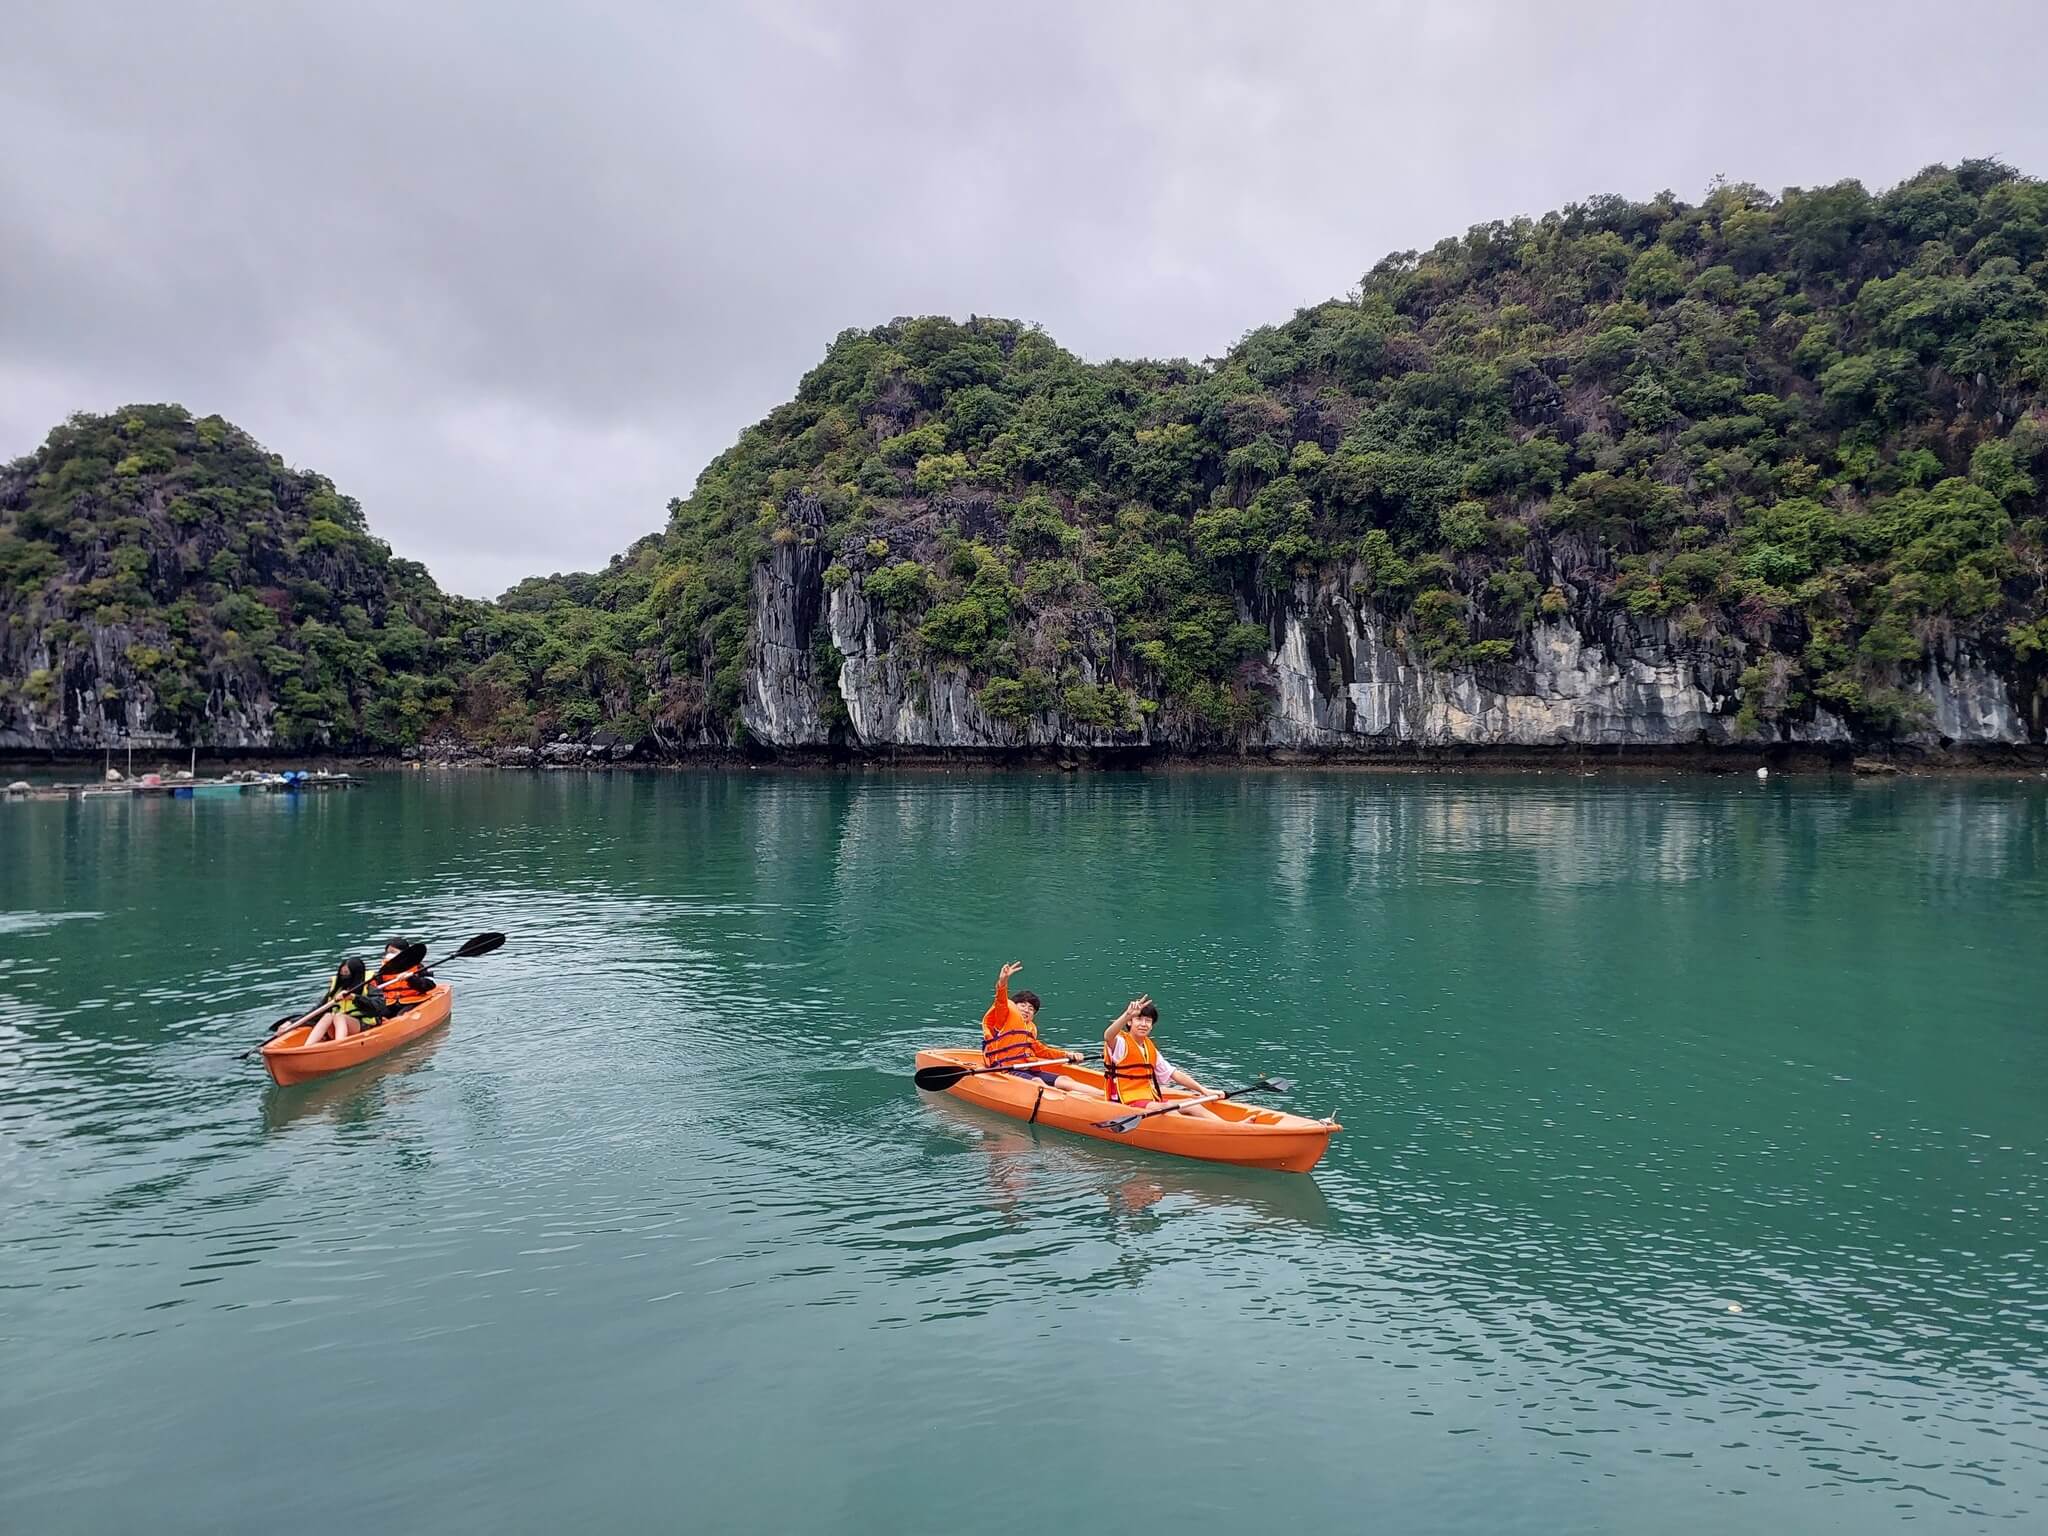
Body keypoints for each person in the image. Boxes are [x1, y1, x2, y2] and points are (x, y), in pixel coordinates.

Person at [1101, 996, 1227, 1119]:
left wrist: (1204, 1090)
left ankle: (1228, 1126)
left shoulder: (1149, 1048)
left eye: (1148, 1021)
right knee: (1168, 1109)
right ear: (1129, 1022)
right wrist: (1127, 1015)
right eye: (1139, 1019)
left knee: (1193, 1104)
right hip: (1126, 1100)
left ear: (1152, 1025)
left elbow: (1173, 1073)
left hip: (1150, 1099)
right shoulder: (1120, 1043)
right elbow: (1108, 1036)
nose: (1143, 1024)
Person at [982, 961, 1085, 1085]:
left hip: (1029, 1070)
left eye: (1031, 1009)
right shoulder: (1002, 1019)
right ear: (1014, 1006)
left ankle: (1101, 1095)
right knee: (1037, 1081)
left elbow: (1043, 1051)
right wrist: (1003, 981)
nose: (1026, 1010)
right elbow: (1001, 1001)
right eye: (1023, 1005)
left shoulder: (1029, 1031)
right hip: (1006, 1070)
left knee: (1065, 1080)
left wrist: (1068, 1054)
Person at [301, 956, 389, 1045]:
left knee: (339, 1016)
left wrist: (354, 997)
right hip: (339, 1025)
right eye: (341, 973)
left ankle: (339, 1044)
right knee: (328, 1015)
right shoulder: (337, 988)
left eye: (346, 973)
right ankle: (308, 1046)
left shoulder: (368, 986)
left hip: (363, 1023)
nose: (343, 976)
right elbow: (320, 1008)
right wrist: (298, 1020)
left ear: (355, 973)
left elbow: (379, 1005)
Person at [376, 938, 436, 1014]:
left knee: (401, 1014)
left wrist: (411, 978)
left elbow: (430, 985)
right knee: (377, 1014)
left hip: (413, 1000)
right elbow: (375, 989)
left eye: (393, 952)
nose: (389, 955)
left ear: (404, 954)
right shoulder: (384, 970)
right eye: (388, 952)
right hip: (390, 1002)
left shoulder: (417, 967)